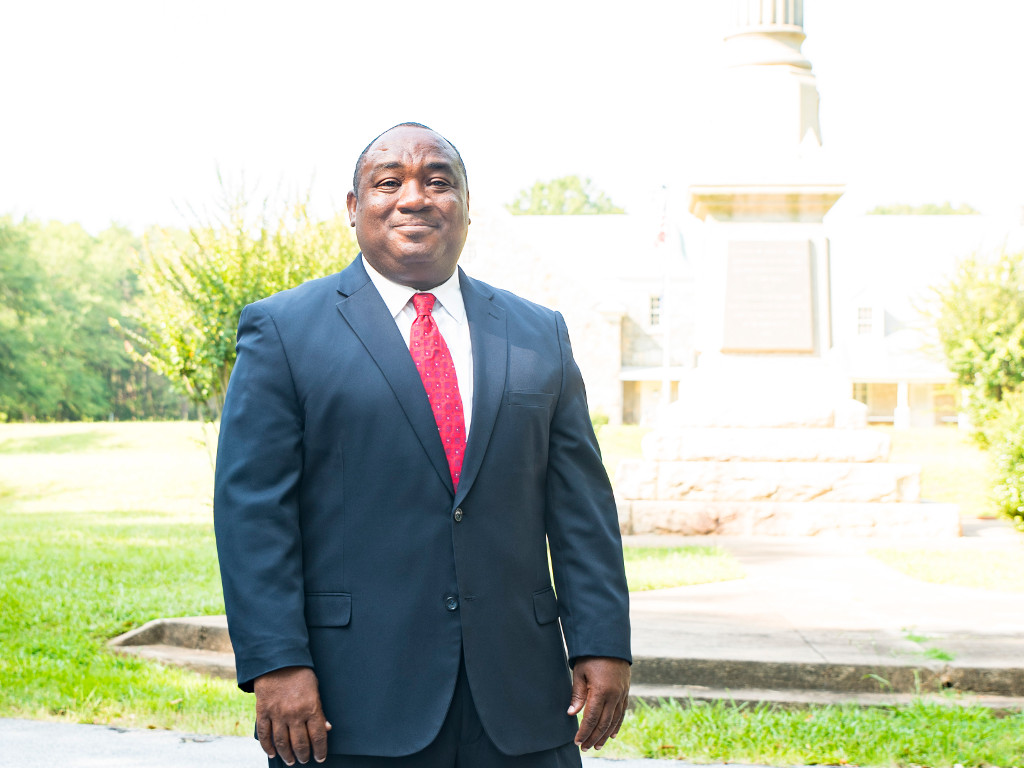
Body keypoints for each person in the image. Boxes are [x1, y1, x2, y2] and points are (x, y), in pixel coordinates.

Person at [213, 122, 631, 768]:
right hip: (350, 704)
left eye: (439, 181)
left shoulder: (539, 333)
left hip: (519, 707)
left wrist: (603, 642)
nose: (415, 197)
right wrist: (277, 662)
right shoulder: (284, 332)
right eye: (389, 182)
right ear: (354, 209)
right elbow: (252, 515)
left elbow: (581, 509)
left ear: (467, 206)